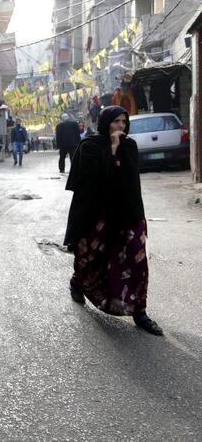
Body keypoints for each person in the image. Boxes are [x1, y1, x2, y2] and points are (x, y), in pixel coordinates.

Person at [64, 106, 162, 336]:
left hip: (127, 213)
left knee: (137, 260)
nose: (120, 127)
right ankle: (78, 283)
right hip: (95, 214)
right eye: (116, 122)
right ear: (105, 123)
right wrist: (112, 148)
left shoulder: (130, 146)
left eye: (123, 122)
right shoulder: (89, 146)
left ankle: (140, 312)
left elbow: (130, 182)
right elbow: (94, 180)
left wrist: (138, 216)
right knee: (90, 258)